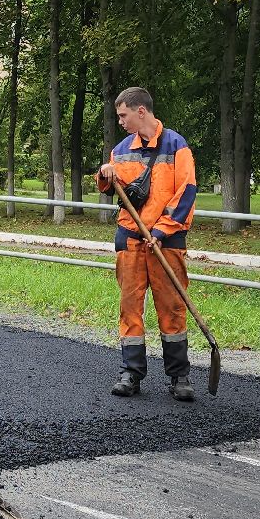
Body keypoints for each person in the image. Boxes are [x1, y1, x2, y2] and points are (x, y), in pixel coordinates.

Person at [95, 87, 199, 401]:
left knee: (172, 308)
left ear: (141, 111)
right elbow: (112, 188)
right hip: (130, 238)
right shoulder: (120, 150)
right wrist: (105, 174)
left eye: (123, 115)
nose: (120, 121)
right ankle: (131, 373)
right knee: (130, 307)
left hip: (166, 241)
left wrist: (162, 231)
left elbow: (187, 192)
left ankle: (179, 376)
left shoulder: (177, 146)